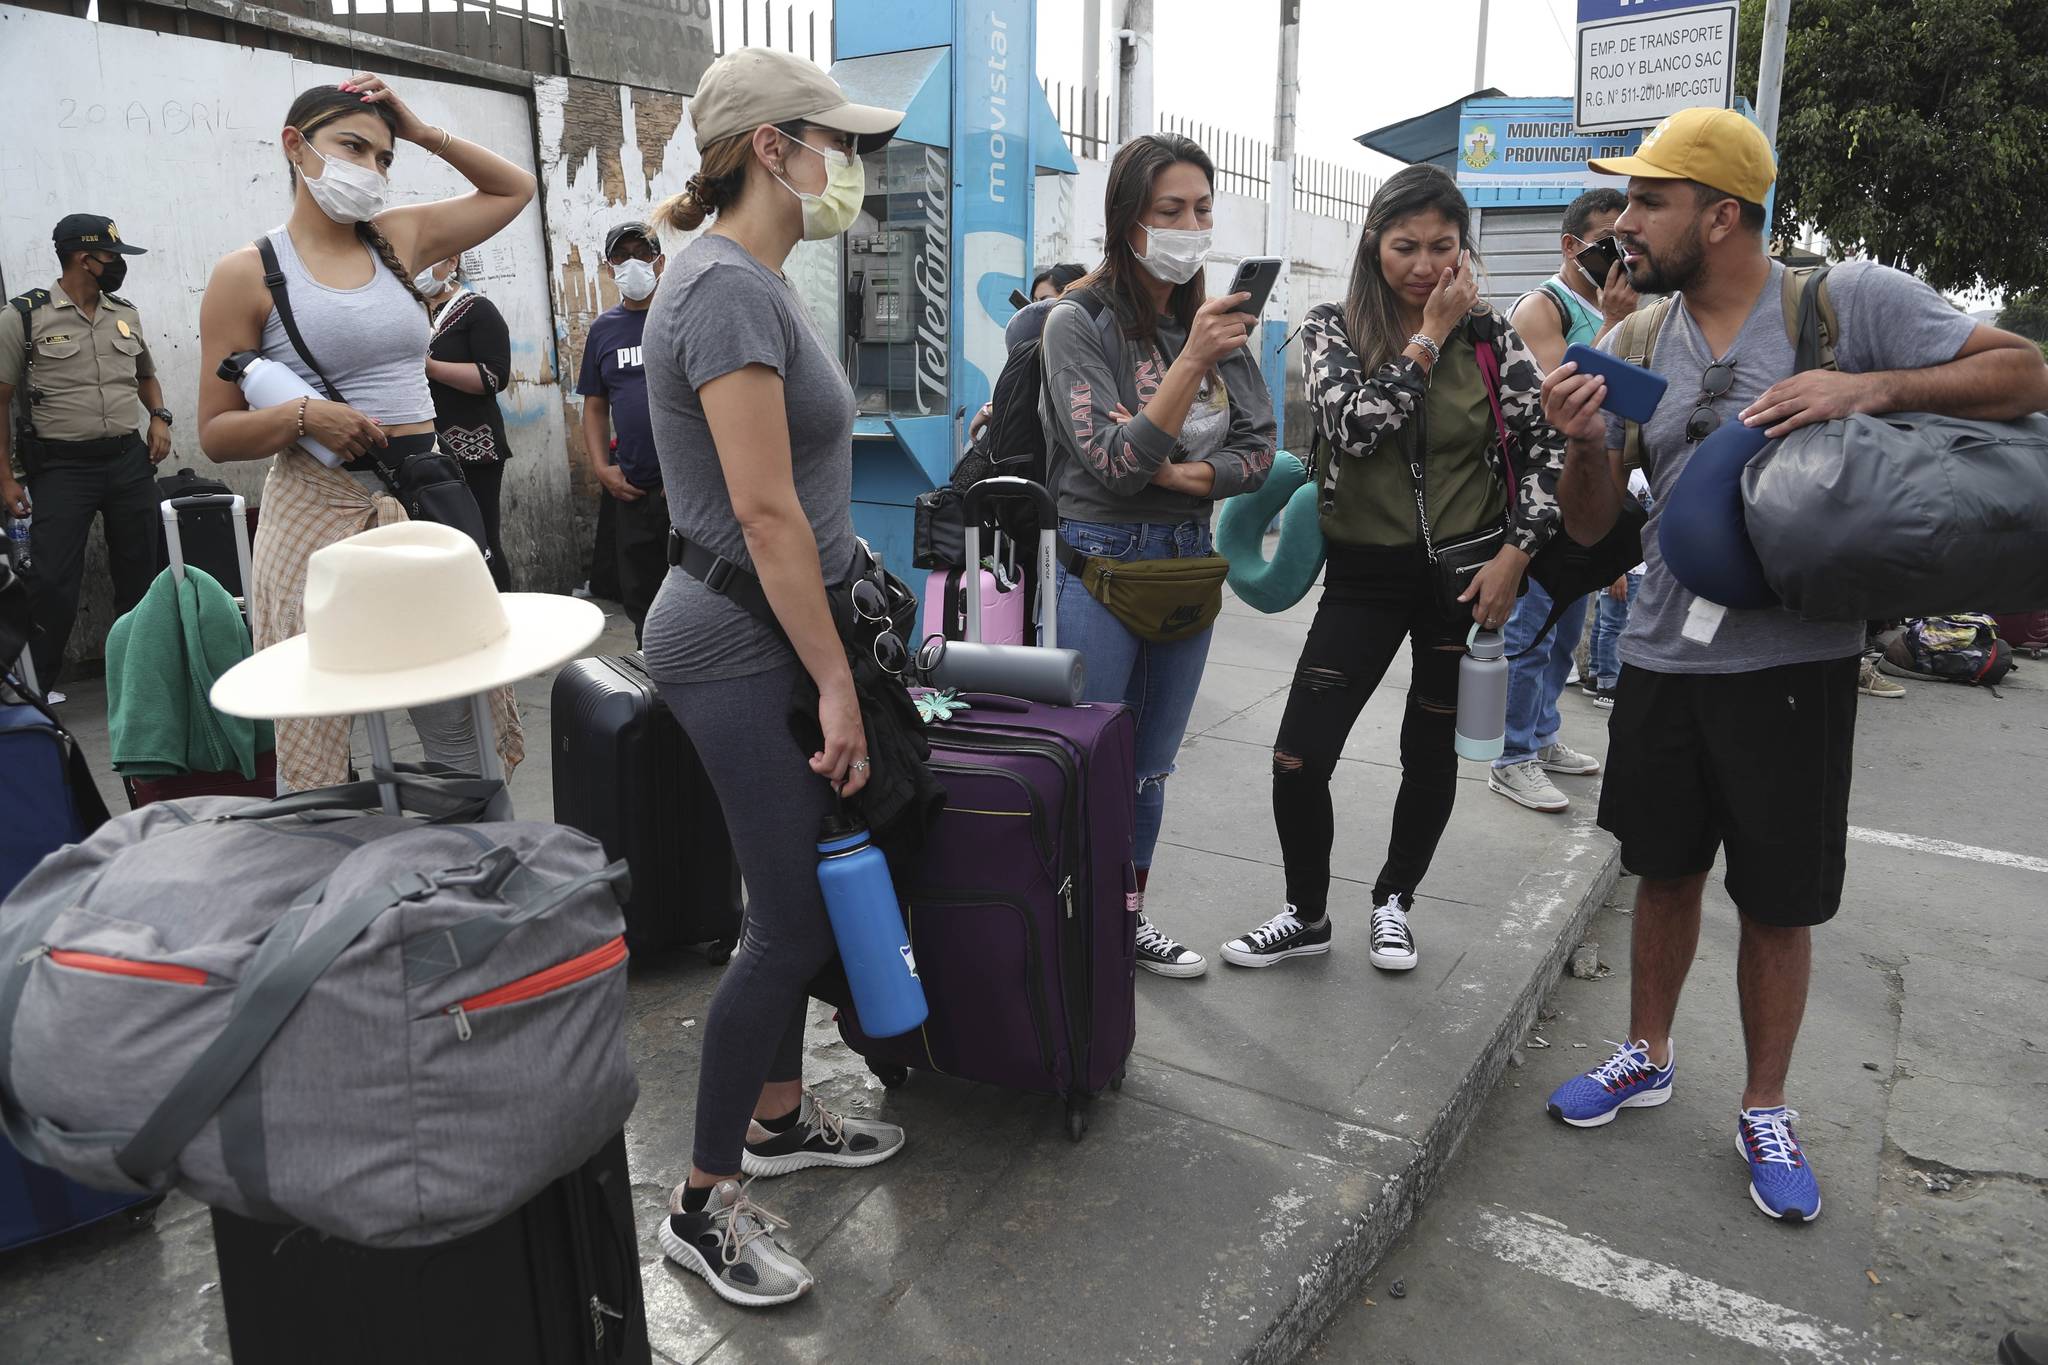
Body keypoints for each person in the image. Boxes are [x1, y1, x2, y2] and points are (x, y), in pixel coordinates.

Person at [1540, 107, 2048, 1221]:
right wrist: (1581, 441)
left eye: (1648, 201)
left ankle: (1764, 1104)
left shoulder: (1840, 303)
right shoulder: (1630, 344)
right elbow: (1588, 534)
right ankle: (1646, 1050)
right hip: (1664, 659)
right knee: (1661, 872)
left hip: (1795, 666)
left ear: (1720, 217)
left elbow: (2023, 374)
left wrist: (1868, 387)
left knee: (1777, 903)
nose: (1623, 224)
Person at [637, 46, 908, 1307]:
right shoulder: (727, 291)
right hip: (740, 642)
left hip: (774, 631)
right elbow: (762, 513)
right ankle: (700, 1203)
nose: (843, 164)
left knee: (787, 889)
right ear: (769, 148)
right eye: (830, 141)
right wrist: (837, 685)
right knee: (788, 916)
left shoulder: (750, 279)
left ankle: (780, 1118)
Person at [1219, 164, 1567, 974]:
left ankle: (1395, 902)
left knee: (1430, 752)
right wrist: (1427, 337)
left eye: (1441, 246)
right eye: (1405, 246)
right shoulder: (1330, 326)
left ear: (1462, 249)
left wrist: (1516, 556)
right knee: (1299, 753)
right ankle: (1306, 912)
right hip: (1364, 575)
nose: (1423, 265)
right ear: (1374, 245)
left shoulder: (1493, 336)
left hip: (1465, 581)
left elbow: (1547, 446)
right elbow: (1357, 425)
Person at [196, 74, 537, 791]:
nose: (371, 170)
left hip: (417, 500)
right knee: (317, 722)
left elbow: (513, 191)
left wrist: (417, 130)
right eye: (352, 147)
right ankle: (340, 887)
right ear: (296, 146)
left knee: (458, 715)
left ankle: (471, 874)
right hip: (314, 506)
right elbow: (217, 432)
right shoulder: (247, 272)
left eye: (383, 157)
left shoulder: (398, 237)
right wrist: (301, 416)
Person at [1037, 133, 1277, 980]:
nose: (1190, 225)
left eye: (1202, 209)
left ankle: (1126, 917)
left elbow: (1261, 449)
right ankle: (1071, 920)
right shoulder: (1079, 322)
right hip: (1100, 565)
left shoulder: (1211, 321)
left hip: (1185, 562)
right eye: (1169, 210)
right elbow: (1112, 462)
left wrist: (1192, 475)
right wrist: (1189, 365)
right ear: (1128, 219)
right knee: (1090, 760)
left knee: (1150, 768)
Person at [1488, 187, 1640, 812]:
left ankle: (1542, 734)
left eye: (1624, 242)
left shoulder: (1616, 306)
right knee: (1528, 633)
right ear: (1571, 246)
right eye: (1606, 242)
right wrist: (1612, 325)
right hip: (1538, 501)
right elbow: (1558, 405)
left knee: (1564, 628)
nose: (1619, 254)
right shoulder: (1542, 308)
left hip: (1586, 498)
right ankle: (1511, 755)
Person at [0, 214, 173, 701]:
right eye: (113, 257)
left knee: (144, 574)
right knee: (51, 581)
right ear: (85, 258)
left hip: (126, 461)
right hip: (60, 468)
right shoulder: (24, 316)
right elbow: (1, 399)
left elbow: (145, 374)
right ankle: (33, 693)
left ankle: (147, 683)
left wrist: (159, 416)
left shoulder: (125, 312)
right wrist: (6, 478)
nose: (119, 265)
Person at [577, 222, 668, 641]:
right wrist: (602, 468)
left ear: (660, 261)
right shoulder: (603, 331)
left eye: (642, 253)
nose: (632, 262)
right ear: (609, 268)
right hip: (631, 488)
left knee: (695, 590)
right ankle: (652, 674)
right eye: (621, 256)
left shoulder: (678, 316)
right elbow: (595, 407)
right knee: (641, 597)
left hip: (684, 490)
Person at [418, 255, 515, 589]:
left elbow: (493, 377)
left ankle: (501, 616)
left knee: (480, 541)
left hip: (474, 450)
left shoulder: (477, 310)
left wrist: (431, 368)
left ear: (453, 260)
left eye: (429, 256)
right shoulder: (405, 309)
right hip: (420, 452)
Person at [1581, 466, 1652, 708]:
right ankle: (1608, 684)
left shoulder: (1643, 473)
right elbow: (1612, 521)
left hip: (1635, 564)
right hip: (1625, 567)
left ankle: (1595, 674)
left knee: (1605, 620)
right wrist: (1617, 571)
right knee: (1615, 624)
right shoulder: (1625, 475)